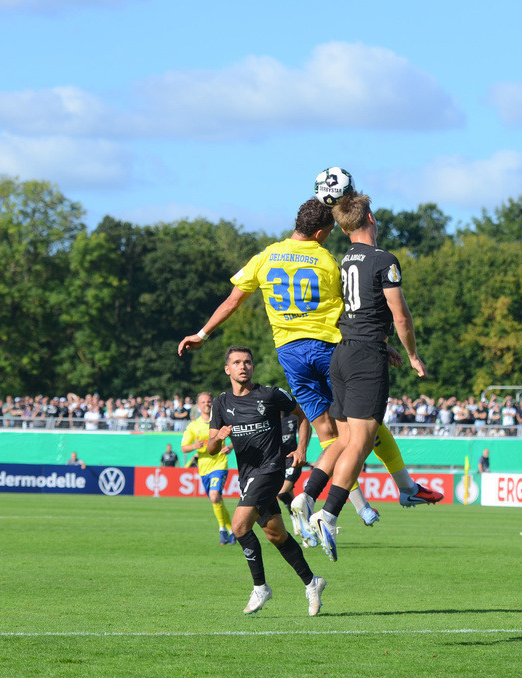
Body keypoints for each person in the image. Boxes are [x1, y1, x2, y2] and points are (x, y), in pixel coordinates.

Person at [178, 197, 440, 538]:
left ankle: (339, 504)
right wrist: (381, 343)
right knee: (363, 426)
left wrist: (202, 333)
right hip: (331, 348)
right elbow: (356, 307)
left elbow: (232, 300)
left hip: (290, 354)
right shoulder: (328, 261)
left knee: (330, 438)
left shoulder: (266, 256)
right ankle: (396, 488)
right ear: (320, 231)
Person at [305, 191, 432, 561]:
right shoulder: (383, 260)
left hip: (342, 353)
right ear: (371, 218)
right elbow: (401, 315)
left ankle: (308, 496)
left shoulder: (343, 261)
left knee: (343, 441)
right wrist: (411, 354)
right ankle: (326, 517)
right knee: (361, 443)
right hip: (364, 357)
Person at [206, 345, 326, 615]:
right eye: (236, 362)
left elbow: (303, 415)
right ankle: (312, 582)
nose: (243, 366)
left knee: (238, 526)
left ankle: (260, 587)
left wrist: (302, 449)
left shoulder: (270, 395)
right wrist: (218, 437)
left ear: (253, 367)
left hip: (271, 470)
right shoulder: (221, 403)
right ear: (228, 369)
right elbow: (211, 447)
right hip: (247, 477)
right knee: (276, 535)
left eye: (247, 362)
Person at [181, 393, 236, 545]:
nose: (206, 404)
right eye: (203, 402)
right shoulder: (193, 426)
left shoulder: (221, 420)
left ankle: (222, 531)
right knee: (216, 500)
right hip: (204, 468)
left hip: (219, 465)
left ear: (212, 403)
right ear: (198, 406)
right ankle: (232, 531)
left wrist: (230, 447)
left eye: (209, 401)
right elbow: (184, 447)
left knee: (214, 496)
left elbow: (236, 437)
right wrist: (194, 446)